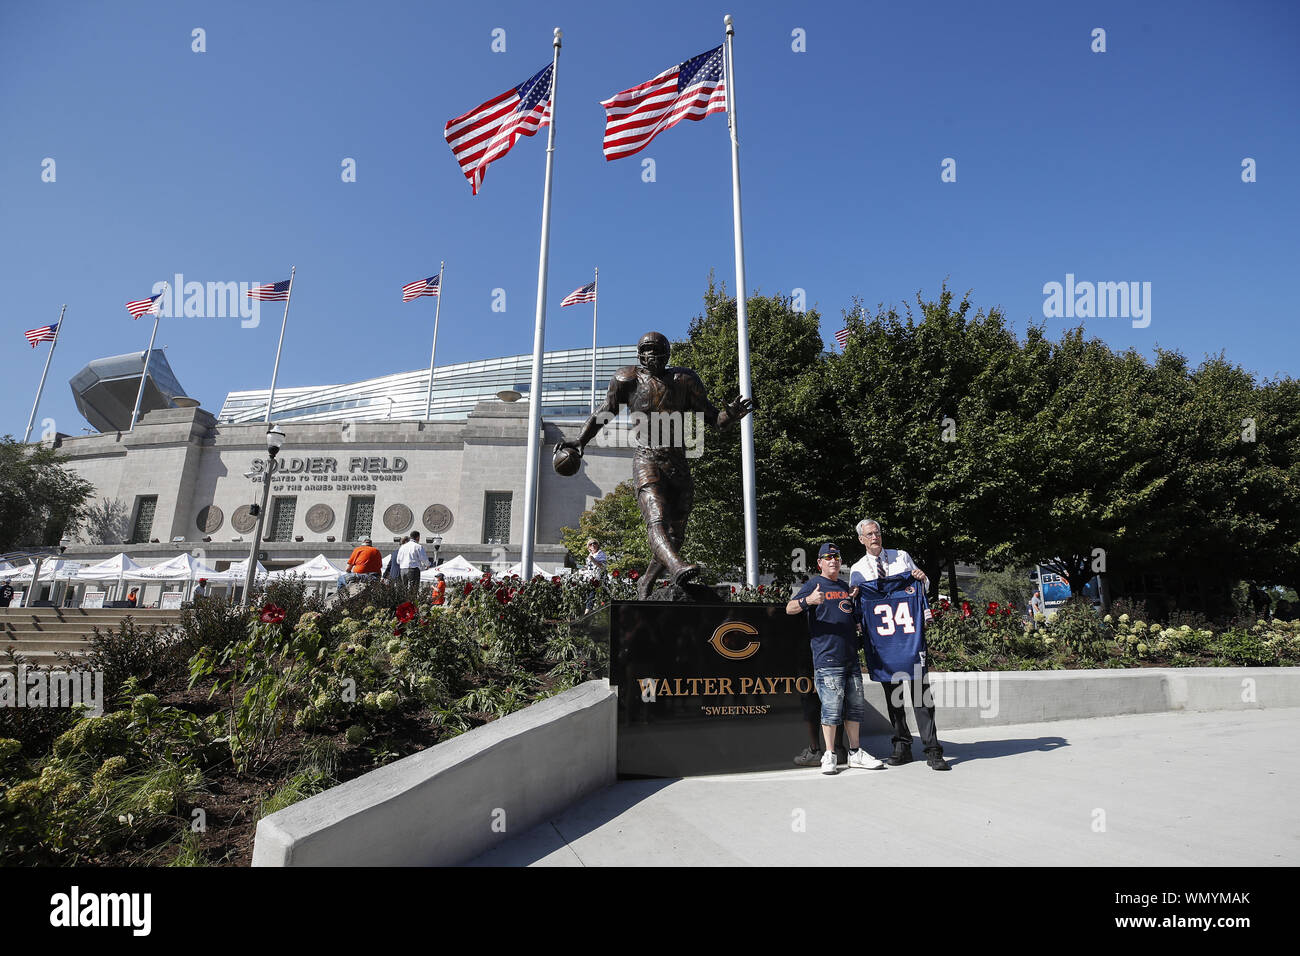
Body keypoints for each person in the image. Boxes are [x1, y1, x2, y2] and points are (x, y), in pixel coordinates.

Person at [557, 330, 754, 600]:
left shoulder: (684, 380)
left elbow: (714, 420)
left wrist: (730, 414)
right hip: (646, 457)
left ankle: (645, 583)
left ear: (667, 354)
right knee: (656, 518)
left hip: (678, 461)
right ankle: (676, 566)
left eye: (657, 350)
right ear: (639, 354)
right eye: (646, 350)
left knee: (676, 535)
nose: (652, 356)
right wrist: (580, 441)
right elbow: (604, 412)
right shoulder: (626, 380)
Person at [848, 518, 949, 771]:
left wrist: (921, 577)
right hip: (883, 643)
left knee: (920, 695)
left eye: (877, 532)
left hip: (909, 639)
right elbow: (854, 604)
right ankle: (902, 745)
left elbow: (921, 586)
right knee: (894, 697)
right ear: (861, 539)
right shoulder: (858, 569)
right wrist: (855, 597)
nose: (874, 537)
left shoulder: (901, 556)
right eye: (869, 534)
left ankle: (933, 749)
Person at [786, 542, 885, 775]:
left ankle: (855, 752)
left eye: (837, 557)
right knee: (831, 709)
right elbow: (789, 608)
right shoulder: (813, 584)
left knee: (855, 709)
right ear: (820, 562)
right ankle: (829, 755)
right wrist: (808, 601)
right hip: (827, 659)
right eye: (828, 557)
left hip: (851, 658)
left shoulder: (845, 586)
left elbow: (851, 615)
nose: (833, 560)